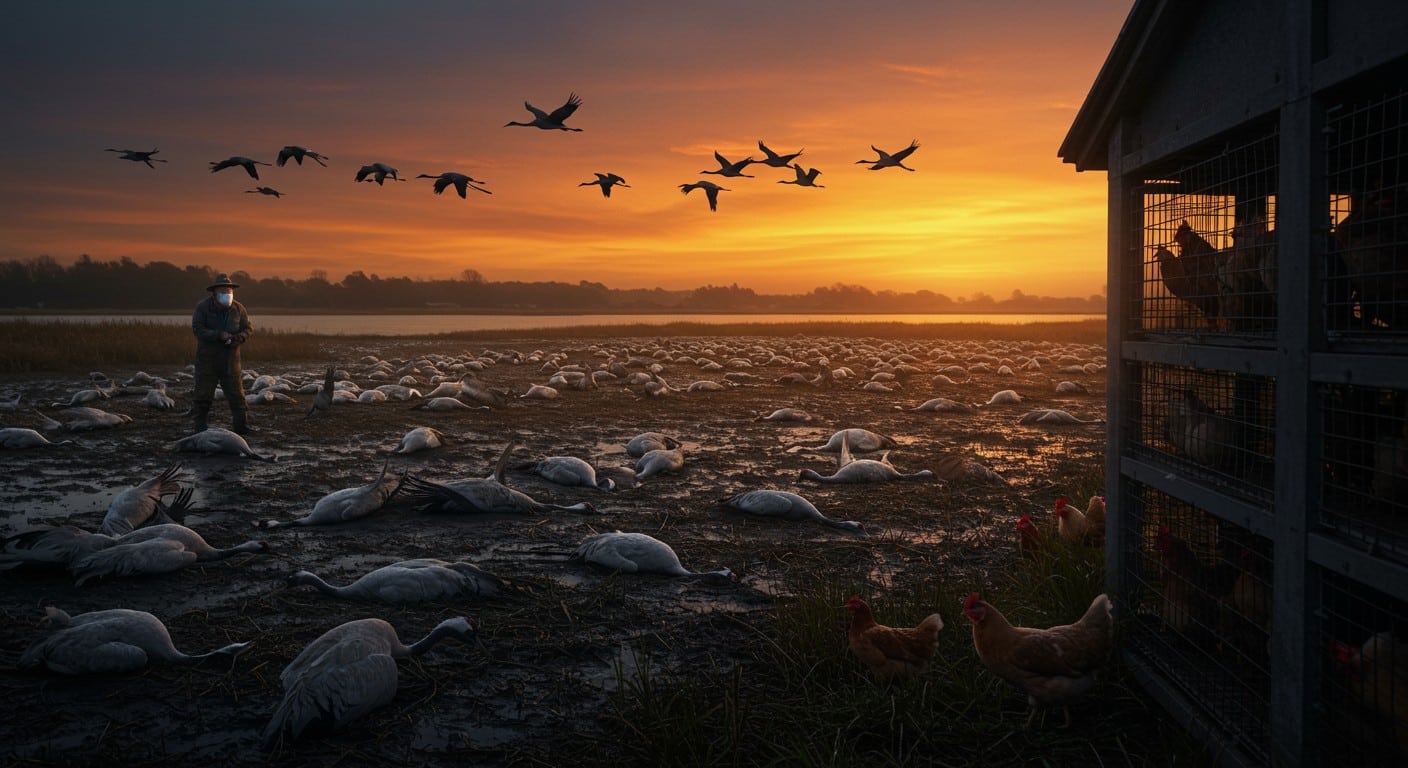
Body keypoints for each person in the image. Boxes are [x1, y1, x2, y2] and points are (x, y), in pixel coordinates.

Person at [191, 273, 254, 434]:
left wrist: (240, 337)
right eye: (223, 290)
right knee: (203, 395)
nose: (227, 293)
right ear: (214, 292)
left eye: (229, 290)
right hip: (208, 360)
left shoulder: (239, 309)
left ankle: (241, 426)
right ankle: (199, 427)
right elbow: (198, 329)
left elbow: (248, 328)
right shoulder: (203, 307)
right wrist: (218, 335)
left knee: (237, 396)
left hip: (231, 360)